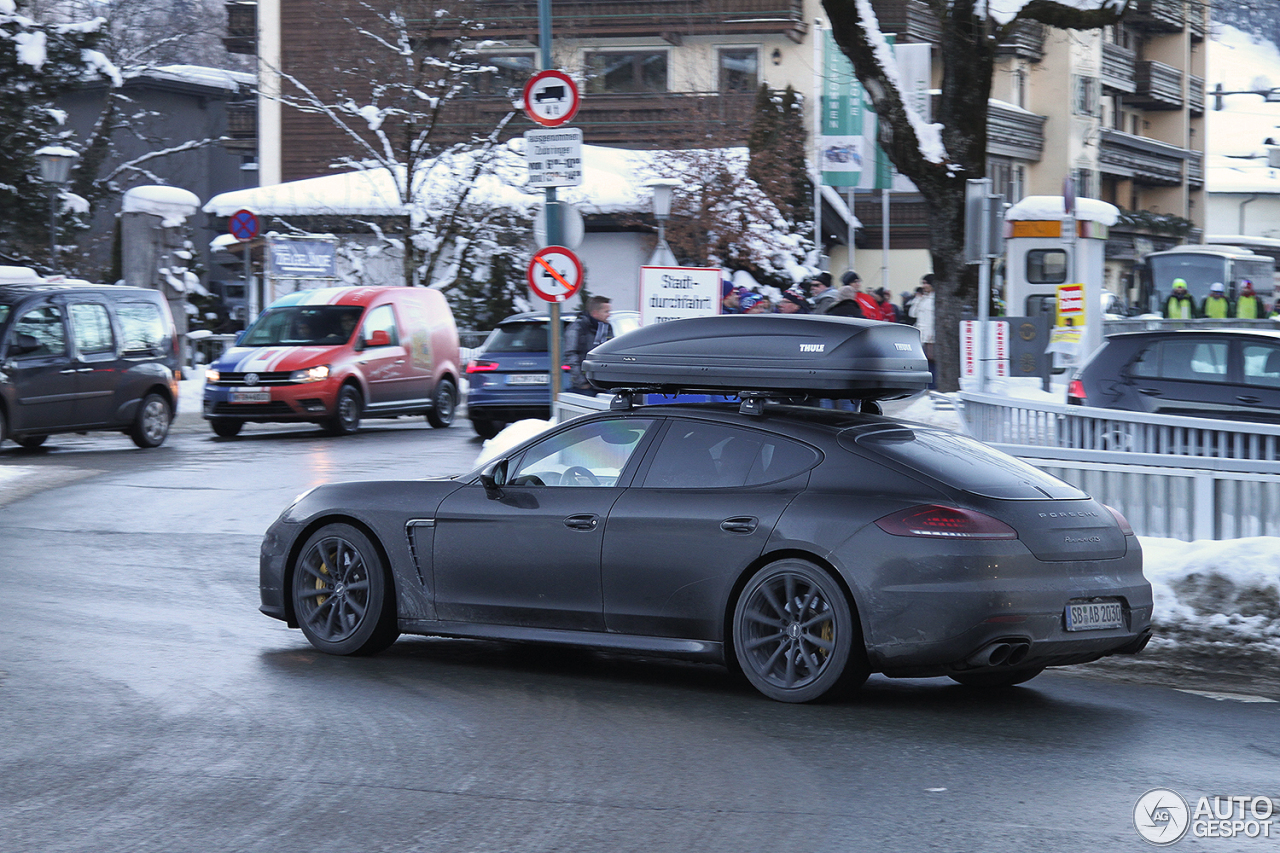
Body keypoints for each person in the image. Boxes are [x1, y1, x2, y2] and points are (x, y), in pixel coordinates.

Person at [564, 294, 614, 395]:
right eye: (606, 311)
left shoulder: (606, 328)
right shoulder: (578, 328)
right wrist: (581, 382)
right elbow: (571, 355)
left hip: (603, 385)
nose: (609, 315)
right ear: (595, 313)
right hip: (584, 387)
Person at [909, 274, 936, 387]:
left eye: (926, 283)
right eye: (923, 283)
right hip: (921, 334)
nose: (924, 286)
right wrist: (918, 299)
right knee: (923, 360)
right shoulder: (923, 299)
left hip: (930, 335)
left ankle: (933, 384)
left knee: (931, 360)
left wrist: (932, 334)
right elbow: (912, 313)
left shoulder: (935, 299)